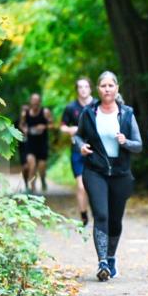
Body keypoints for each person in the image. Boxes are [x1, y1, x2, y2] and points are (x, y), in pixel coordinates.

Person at [76, 71, 143, 281]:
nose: (107, 89)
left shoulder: (127, 114)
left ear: (117, 88)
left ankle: (111, 257)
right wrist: (81, 146)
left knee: (115, 220)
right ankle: (102, 262)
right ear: (98, 89)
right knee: (102, 215)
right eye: (103, 86)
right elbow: (78, 136)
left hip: (121, 173)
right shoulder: (88, 113)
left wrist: (125, 142)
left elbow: (138, 145)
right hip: (95, 170)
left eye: (110, 86)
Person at [59, 77, 94, 225]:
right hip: (77, 150)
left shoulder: (98, 105)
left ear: (91, 88)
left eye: (86, 86)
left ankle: (100, 214)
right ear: (77, 90)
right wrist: (70, 129)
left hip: (96, 150)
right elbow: (62, 126)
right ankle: (84, 215)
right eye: (80, 87)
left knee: (94, 185)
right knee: (81, 185)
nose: (83, 89)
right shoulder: (71, 108)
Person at [18, 93, 52, 194]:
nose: (35, 104)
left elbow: (52, 125)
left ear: (39, 102)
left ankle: (43, 180)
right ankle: (32, 189)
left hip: (42, 144)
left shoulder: (45, 112)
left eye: (37, 103)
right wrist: (25, 130)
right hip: (30, 143)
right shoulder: (25, 113)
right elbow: (21, 125)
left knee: (42, 168)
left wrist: (44, 127)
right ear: (30, 103)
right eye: (33, 102)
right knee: (31, 165)